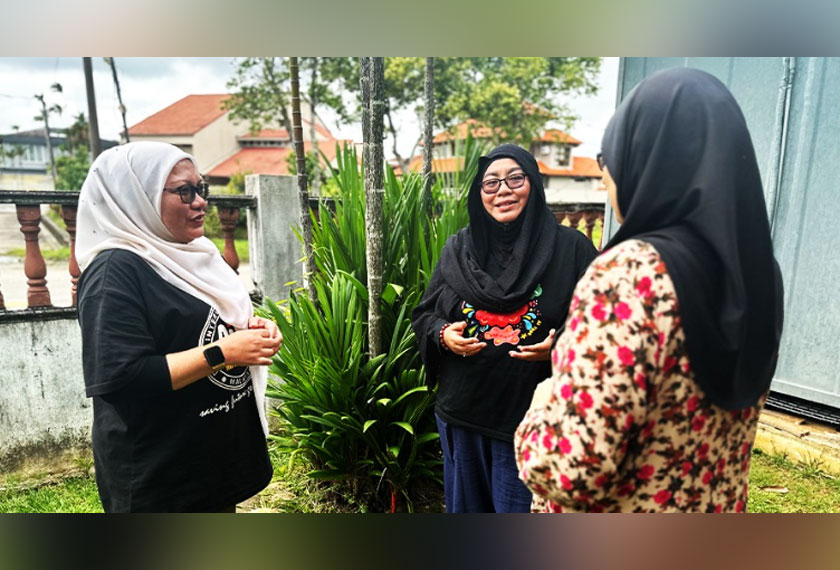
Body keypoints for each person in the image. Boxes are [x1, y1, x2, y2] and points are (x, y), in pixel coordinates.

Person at [515, 68, 784, 513]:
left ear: (649, 160)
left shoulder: (628, 276)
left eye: (611, 159)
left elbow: (568, 472)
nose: (605, 178)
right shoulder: (758, 275)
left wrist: (540, 406)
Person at [75, 141, 282, 512]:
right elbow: (123, 377)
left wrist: (251, 331)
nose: (200, 202)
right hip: (162, 478)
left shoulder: (192, 255)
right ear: (135, 197)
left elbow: (205, 323)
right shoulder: (114, 273)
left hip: (209, 461)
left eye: (200, 189)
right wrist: (225, 352)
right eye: (184, 192)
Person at [411, 144, 598, 513]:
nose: (503, 190)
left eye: (515, 178)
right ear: (478, 194)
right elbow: (426, 313)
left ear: (534, 185)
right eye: (490, 183)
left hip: (531, 421)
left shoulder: (572, 249)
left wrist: (561, 344)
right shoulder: (459, 249)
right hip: (462, 414)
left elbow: (600, 326)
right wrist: (443, 336)